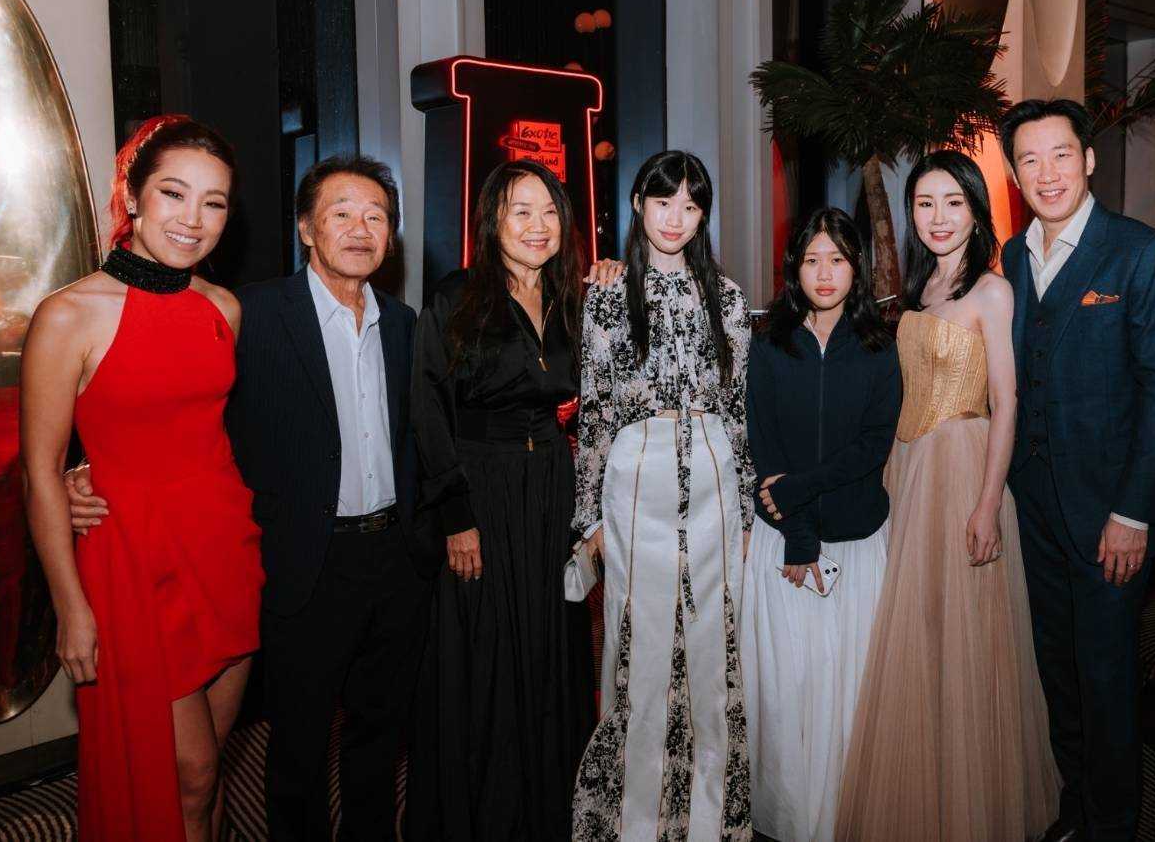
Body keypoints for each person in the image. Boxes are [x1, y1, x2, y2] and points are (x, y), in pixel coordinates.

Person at [70, 154, 439, 840]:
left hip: (395, 560)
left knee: (380, 737)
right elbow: (175, 405)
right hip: (301, 561)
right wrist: (84, 464)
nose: (360, 229)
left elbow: (426, 432)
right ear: (306, 227)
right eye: (341, 213)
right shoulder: (252, 313)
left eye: (376, 216)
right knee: (297, 746)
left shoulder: (405, 323)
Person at [23, 115, 263, 841]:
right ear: (132, 196)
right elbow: (39, 471)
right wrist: (70, 605)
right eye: (173, 193)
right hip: (130, 563)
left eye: (214, 202)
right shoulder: (68, 315)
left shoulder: (223, 309)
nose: (193, 219)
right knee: (187, 773)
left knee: (210, 769)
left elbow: (201, 432)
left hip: (223, 552)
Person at [835, 150, 1059, 842]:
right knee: (915, 632)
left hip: (962, 468)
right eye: (925, 203)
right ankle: (921, 800)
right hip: (907, 469)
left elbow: (1007, 401)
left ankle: (968, 807)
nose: (937, 217)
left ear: (975, 210)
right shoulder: (918, 289)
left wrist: (988, 502)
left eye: (952, 202)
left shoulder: (992, 291)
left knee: (963, 639)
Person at [999, 99, 1155, 842]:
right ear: (1015, 174)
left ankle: (1113, 825)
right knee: (1057, 671)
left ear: (1088, 159)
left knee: (1106, 677)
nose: (1046, 172)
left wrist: (1134, 512)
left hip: (1111, 513)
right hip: (1033, 506)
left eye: (1060, 154)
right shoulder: (1011, 257)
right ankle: (1075, 810)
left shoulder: (1143, 253)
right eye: (1029, 159)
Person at [406, 160, 597, 840]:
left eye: (549, 212)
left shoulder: (574, 298)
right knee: (484, 657)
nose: (538, 226)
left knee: (548, 648)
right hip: (480, 490)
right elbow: (428, 409)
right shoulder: (456, 297)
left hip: (551, 490)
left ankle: (545, 812)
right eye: (521, 211)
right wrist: (456, 514)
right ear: (491, 220)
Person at [570, 151, 756, 841]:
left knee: (713, 649)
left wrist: (744, 509)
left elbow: (738, 412)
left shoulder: (729, 299)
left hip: (713, 477)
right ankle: (636, 820)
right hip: (636, 477)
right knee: (637, 646)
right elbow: (593, 410)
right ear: (638, 206)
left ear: (703, 215)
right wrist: (587, 514)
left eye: (691, 205)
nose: (675, 218)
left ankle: (709, 820)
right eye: (662, 202)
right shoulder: (607, 294)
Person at [742, 207, 900, 842]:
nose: (825, 273)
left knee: (850, 689)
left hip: (857, 540)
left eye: (837, 259)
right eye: (812, 260)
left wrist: (798, 489)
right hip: (786, 541)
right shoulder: (768, 344)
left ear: (857, 268)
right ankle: (789, 821)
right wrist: (799, 535)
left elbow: (872, 446)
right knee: (790, 689)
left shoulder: (880, 346)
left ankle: (848, 816)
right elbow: (765, 445)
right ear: (794, 268)